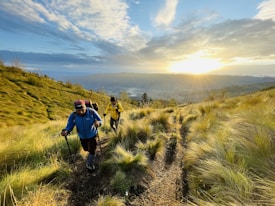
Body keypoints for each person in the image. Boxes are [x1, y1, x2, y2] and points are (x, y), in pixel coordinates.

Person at [61, 100, 102, 171]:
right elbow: (69, 125)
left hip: (92, 134)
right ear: (75, 109)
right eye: (78, 110)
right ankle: (91, 156)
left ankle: (89, 164)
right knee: (86, 149)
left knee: (92, 150)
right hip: (82, 136)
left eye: (82, 109)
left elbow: (100, 120)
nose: (80, 112)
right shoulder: (73, 115)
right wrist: (66, 131)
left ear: (85, 107)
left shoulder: (92, 112)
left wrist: (98, 123)